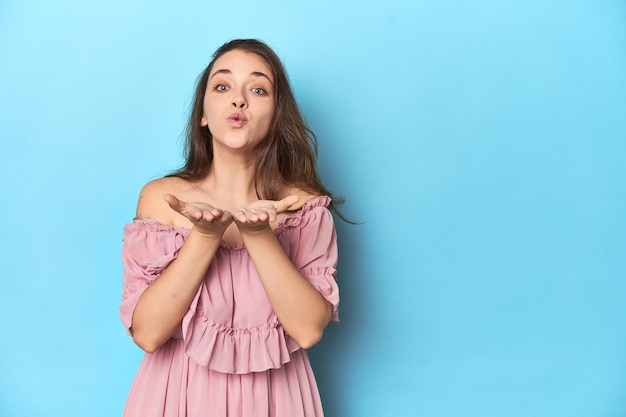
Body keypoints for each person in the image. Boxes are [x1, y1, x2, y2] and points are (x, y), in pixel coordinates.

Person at [119, 39, 342, 417]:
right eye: (223, 87)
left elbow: (307, 330)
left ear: (275, 117)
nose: (239, 100)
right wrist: (205, 236)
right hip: (176, 396)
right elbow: (148, 334)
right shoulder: (163, 198)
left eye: (258, 89)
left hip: (278, 398)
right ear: (203, 115)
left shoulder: (302, 205)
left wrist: (258, 235)